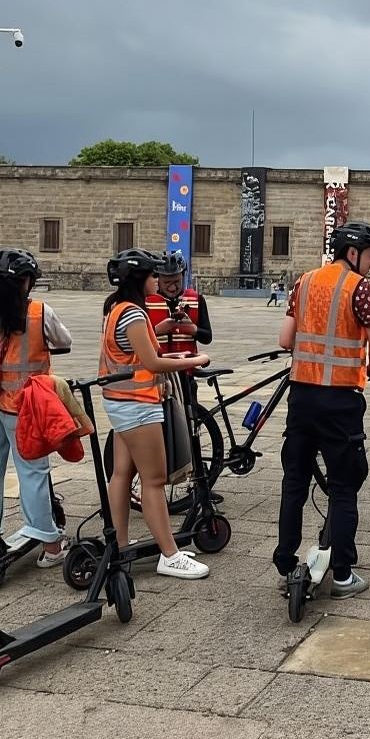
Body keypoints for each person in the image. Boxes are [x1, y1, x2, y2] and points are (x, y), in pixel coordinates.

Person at [275, 220, 370, 599]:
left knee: (294, 480)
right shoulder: (362, 289)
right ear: (352, 253)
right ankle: (341, 574)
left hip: (301, 396)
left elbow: (285, 338)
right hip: (340, 400)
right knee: (343, 486)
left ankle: (286, 562)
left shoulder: (303, 282)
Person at [0, 248, 72, 568]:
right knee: (33, 474)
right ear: (26, 282)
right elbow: (64, 342)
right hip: (26, 408)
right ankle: (50, 546)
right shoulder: (38, 312)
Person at [101, 248, 212, 580]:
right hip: (137, 406)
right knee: (154, 480)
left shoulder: (114, 308)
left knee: (121, 474)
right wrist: (193, 361)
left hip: (120, 401)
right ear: (140, 280)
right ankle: (170, 554)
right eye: (153, 276)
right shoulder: (134, 314)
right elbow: (151, 362)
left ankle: (119, 542)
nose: (158, 281)